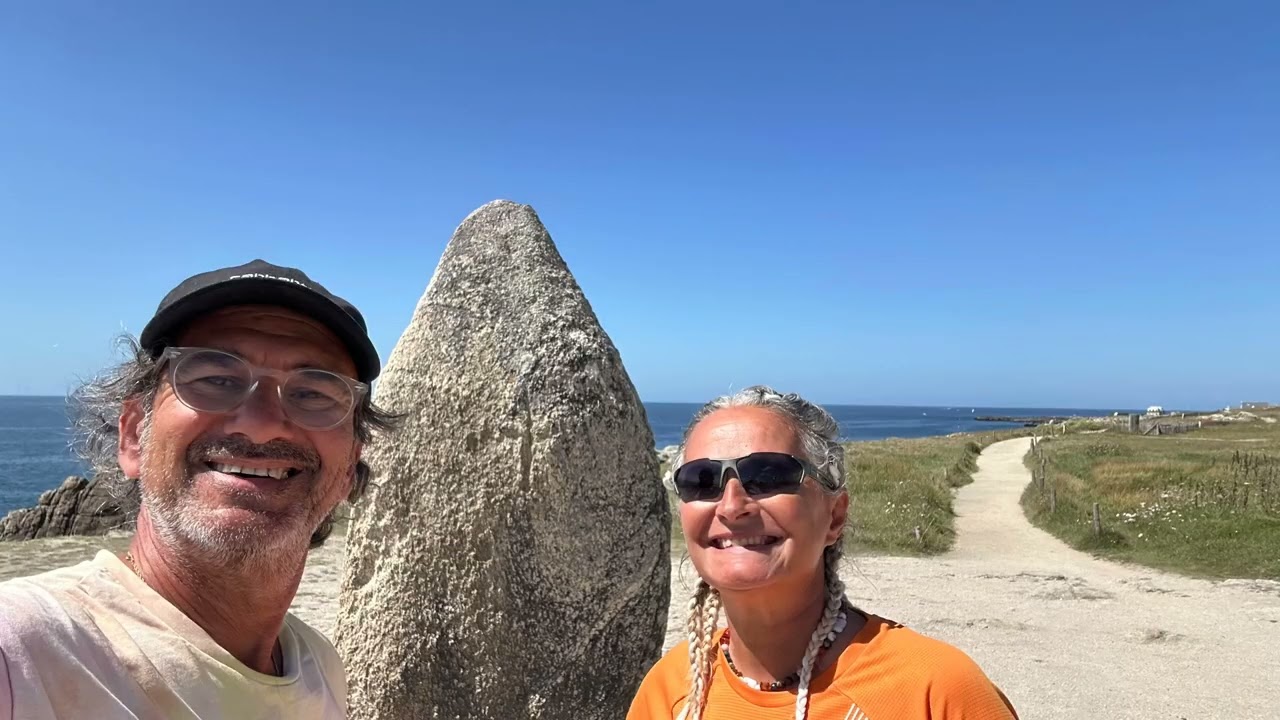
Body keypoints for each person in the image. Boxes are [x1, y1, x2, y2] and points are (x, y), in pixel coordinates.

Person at [0, 259, 396, 720]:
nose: (263, 422)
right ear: (132, 436)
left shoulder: (319, 668)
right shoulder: (23, 653)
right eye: (215, 379)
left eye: (314, 392)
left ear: (350, 466)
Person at [628, 386, 1017, 720]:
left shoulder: (936, 691)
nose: (732, 506)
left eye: (767, 475)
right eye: (701, 481)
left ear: (835, 515)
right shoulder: (668, 692)